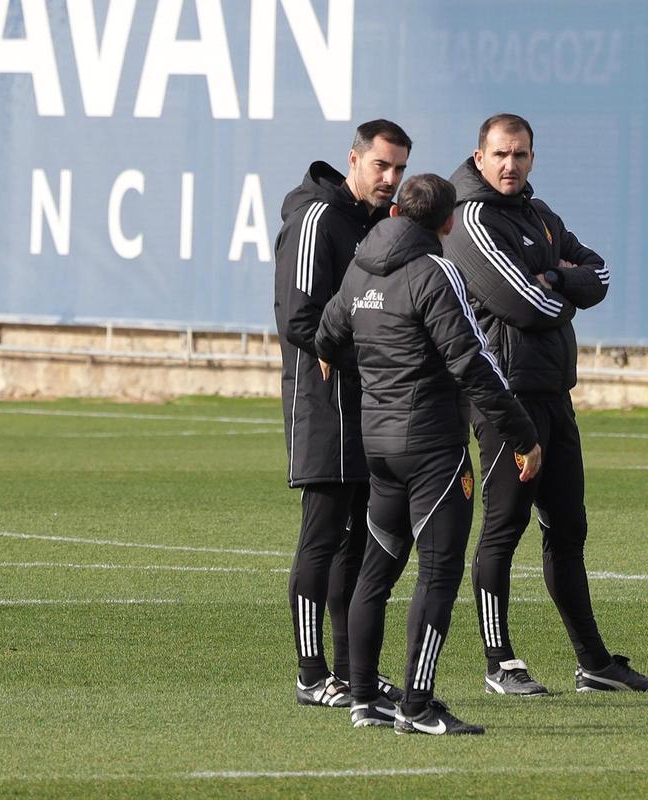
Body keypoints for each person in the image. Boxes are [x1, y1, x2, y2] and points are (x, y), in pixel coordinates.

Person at [443, 113, 648, 695]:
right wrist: (557, 283)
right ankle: (501, 664)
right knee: (503, 526)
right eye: (499, 154)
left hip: (554, 394)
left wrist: (553, 278)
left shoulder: (541, 216)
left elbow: (601, 275)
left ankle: (594, 663)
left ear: (532, 158)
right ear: (478, 157)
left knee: (569, 528)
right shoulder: (471, 219)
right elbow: (525, 306)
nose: (509, 165)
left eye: (519, 155)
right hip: (506, 400)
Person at [314, 174, 542, 735]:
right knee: (437, 574)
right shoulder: (436, 271)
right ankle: (417, 705)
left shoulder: (363, 265)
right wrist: (523, 434)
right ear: (449, 221)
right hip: (432, 451)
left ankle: (363, 698)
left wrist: (356, 369)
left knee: (376, 571)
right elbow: (472, 361)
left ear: (395, 209)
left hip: (379, 446)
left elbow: (327, 332)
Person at [273, 119, 411, 708]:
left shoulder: (384, 224)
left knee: (361, 540)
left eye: (400, 168)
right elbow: (300, 321)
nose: (390, 178)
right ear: (353, 159)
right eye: (381, 166)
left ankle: (355, 669)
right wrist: (361, 350)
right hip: (323, 406)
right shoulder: (316, 219)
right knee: (323, 537)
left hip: (371, 403)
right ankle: (310, 675)